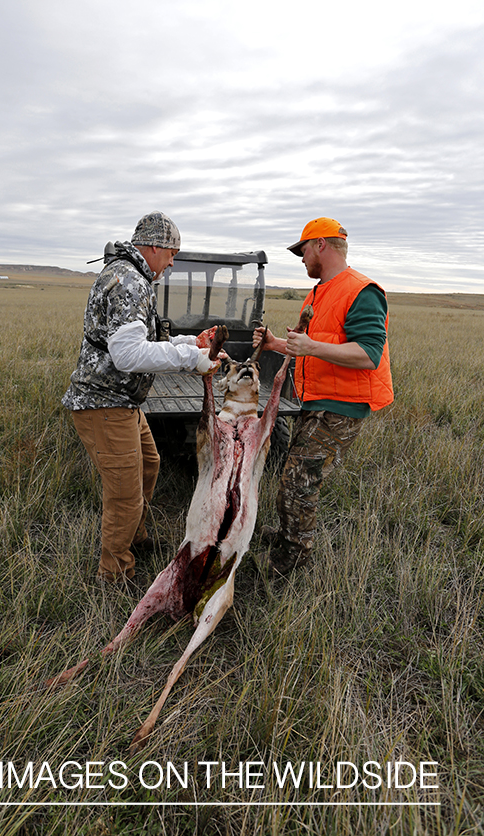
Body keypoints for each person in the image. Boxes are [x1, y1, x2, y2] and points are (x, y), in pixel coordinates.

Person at [62, 211, 221, 584]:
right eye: (172, 253)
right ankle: (116, 574)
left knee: (149, 463)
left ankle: (136, 537)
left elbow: (136, 344)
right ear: (154, 247)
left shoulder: (129, 275)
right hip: (104, 404)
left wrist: (189, 343)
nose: (172, 262)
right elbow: (128, 355)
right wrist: (191, 360)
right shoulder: (130, 282)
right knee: (125, 495)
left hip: (122, 401)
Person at [253, 217, 394, 574]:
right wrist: (276, 344)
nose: (301, 258)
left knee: (299, 480)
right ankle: (289, 535)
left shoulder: (361, 291)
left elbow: (368, 353)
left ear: (320, 245)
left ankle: (291, 562)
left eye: (302, 250)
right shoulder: (319, 292)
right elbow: (312, 348)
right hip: (316, 401)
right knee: (293, 475)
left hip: (342, 407)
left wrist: (311, 345)